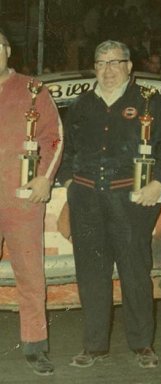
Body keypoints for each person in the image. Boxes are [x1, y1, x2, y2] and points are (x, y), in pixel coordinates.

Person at [57, 40, 161, 369]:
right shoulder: (82, 104)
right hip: (87, 201)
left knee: (135, 273)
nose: (108, 69)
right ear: (94, 68)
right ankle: (94, 346)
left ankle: (142, 345)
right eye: (101, 63)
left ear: (129, 66)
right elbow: (66, 150)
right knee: (91, 274)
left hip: (131, 202)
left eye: (115, 62)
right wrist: (70, 183)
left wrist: (158, 182)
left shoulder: (150, 102)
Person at [0, 30, 63, 376]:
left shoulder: (32, 88)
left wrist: (44, 177)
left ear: (9, 50)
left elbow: (54, 136)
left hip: (21, 199)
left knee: (29, 275)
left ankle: (35, 347)